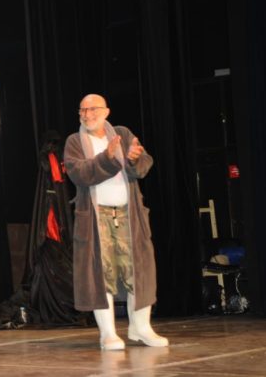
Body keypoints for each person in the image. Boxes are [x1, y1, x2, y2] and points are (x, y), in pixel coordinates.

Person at [63, 94, 169, 351]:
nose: (87, 114)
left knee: (138, 270)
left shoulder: (122, 133)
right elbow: (80, 174)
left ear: (106, 111)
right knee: (102, 274)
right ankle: (108, 333)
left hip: (128, 215)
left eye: (93, 109)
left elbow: (143, 166)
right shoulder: (75, 141)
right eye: (82, 110)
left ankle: (141, 327)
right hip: (96, 217)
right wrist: (108, 157)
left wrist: (133, 158)